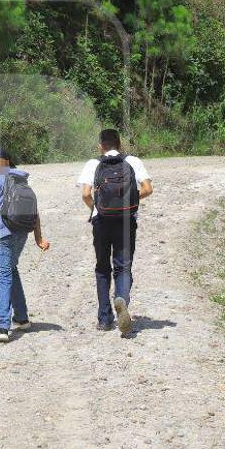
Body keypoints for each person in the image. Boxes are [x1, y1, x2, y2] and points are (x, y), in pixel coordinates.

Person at [0, 146, 50, 343]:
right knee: (11, 270)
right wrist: (38, 238)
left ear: (5, 162)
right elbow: (35, 210)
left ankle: (3, 326)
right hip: (21, 231)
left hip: (3, 232)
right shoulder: (22, 179)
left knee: (4, 275)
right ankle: (22, 318)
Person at [78, 129, 153, 335]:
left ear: (100, 145)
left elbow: (85, 194)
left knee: (102, 268)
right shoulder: (133, 161)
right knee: (123, 266)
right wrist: (129, 201)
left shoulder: (93, 164)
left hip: (101, 221)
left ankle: (104, 319)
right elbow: (147, 188)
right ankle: (122, 299)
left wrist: (97, 208)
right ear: (119, 144)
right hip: (126, 221)